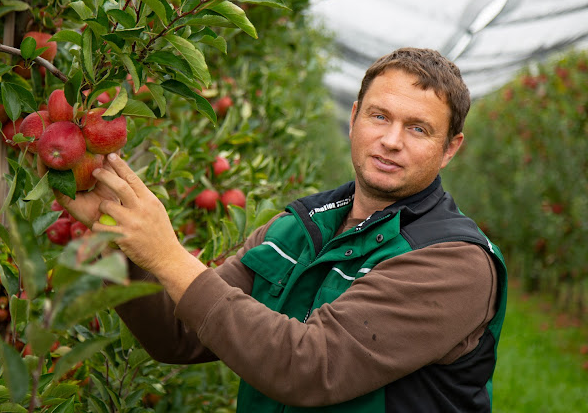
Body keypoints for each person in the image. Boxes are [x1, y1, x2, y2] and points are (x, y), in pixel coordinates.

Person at [57, 47, 508, 412]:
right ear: (352, 118)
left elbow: (311, 367)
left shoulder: (453, 261)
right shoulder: (301, 228)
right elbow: (179, 335)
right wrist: (116, 232)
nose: (392, 140)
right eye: (379, 116)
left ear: (450, 148)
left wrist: (167, 255)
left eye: (418, 128)